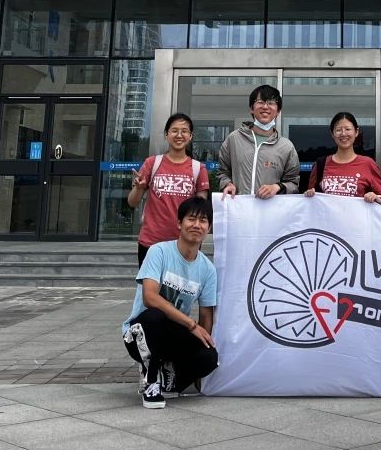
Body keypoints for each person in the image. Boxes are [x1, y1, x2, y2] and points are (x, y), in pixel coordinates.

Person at [123, 196, 219, 409]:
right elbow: (150, 297)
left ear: (209, 228)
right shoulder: (159, 252)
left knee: (209, 357)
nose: (197, 225)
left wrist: (199, 370)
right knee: (155, 315)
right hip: (140, 333)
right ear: (179, 223)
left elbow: (206, 318)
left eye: (203, 221)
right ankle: (151, 381)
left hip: (173, 335)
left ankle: (167, 374)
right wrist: (191, 325)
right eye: (191, 219)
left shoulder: (208, 270)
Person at [127, 112, 211, 266]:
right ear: (166, 135)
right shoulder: (152, 163)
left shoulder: (198, 169)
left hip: (185, 243)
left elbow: (201, 210)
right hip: (151, 242)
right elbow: (132, 202)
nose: (179, 135)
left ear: (190, 136)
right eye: (174, 131)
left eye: (184, 131)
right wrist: (139, 188)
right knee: (150, 282)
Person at [216, 84, 300, 198]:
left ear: (278, 110)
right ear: (251, 108)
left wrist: (277, 187)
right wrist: (227, 184)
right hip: (239, 206)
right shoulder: (234, 139)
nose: (265, 107)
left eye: (271, 103)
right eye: (260, 102)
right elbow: (222, 172)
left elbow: (293, 183)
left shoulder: (286, 146)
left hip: (270, 207)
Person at [303, 111, 381, 205]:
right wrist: (309, 194)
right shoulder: (320, 164)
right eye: (338, 130)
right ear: (332, 133)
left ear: (356, 132)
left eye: (348, 129)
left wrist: (376, 198)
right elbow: (310, 198)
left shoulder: (368, 164)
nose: (343, 134)